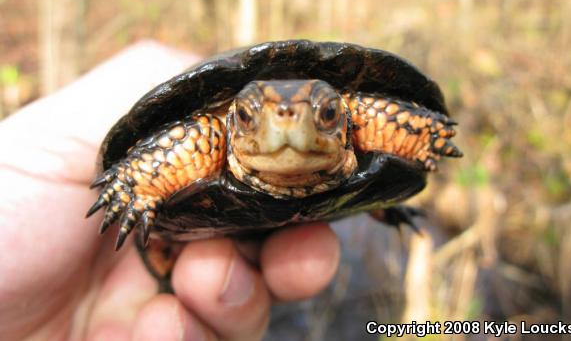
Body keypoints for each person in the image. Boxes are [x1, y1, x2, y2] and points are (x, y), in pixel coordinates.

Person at [0, 42, 340, 341]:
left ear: (345, 119)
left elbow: (386, 123)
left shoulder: (360, 120)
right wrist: (141, 178)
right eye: (249, 117)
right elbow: (194, 135)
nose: (286, 124)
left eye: (326, 114)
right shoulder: (207, 137)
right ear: (235, 120)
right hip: (164, 248)